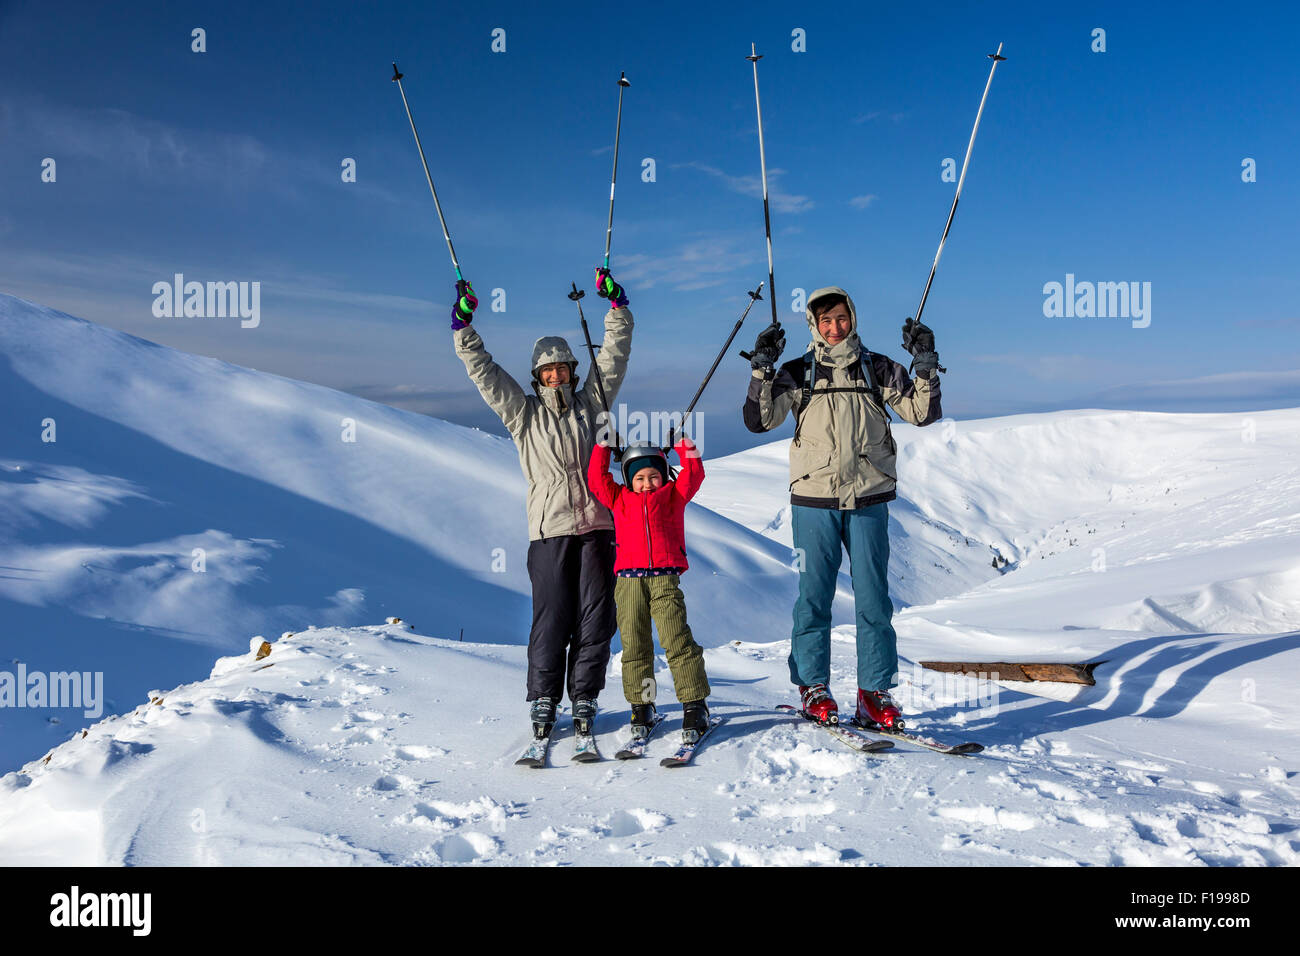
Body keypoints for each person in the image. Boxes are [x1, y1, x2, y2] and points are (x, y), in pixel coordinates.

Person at [742, 286, 943, 729]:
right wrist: (762, 369)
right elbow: (760, 421)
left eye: (841, 318)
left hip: (869, 497)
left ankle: (874, 693)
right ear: (814, 324)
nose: (835, 328)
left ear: (853, 317)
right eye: (826, 321)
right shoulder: (797, 372)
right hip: (814, 501)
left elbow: (922, 414)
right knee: (813, 597)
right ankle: (813, 687)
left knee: (875, 600)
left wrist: (924, 364)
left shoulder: (880, 368)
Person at [451, 268, 633, 740]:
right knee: (551, 620)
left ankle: (586, 697)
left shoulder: (593, 403)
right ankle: (545, 700)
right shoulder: (523, 413)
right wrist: (464, 327)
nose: (556, 375)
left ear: (572, 371)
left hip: (597, 527)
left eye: (563, 368)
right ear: (537, 377)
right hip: (549, 531)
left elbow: (613, 356)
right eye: (547, 371)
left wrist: (617, 307)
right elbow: (485, 374)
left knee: (597, 618)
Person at [587, 435, 711, 744]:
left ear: (664, 475)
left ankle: (695, 704)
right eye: (639, 477)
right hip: (628, 582)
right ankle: (643, 705)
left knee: (677, 640)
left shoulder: (673, 496)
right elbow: (596, 480)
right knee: (635, 644)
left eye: (654, 475)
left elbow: (694, 474)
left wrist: (683, 444)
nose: (647, 483)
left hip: (664, 578)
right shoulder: (618, 498)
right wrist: (604, 447)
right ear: (628, 479)